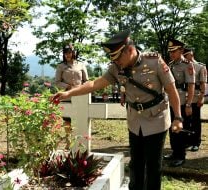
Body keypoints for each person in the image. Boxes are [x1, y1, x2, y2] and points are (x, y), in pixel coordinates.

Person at [52, 30, 183, 190]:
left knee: (153, 167)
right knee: (136, 164)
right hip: (135, 121)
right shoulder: (116, 67)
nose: (116, 62)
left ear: (129, 50)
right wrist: (68, 92)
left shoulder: (154, 62)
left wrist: (178, 117)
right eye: (113, 59)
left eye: (118, 57)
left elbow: (171, 89)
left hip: (157, 119)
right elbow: (94, 84)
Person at [164, 39, 195, 167]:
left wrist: (188, 104)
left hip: (182, 102)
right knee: (172, 129)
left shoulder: (187, 65)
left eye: (174, 51)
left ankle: (181, 156)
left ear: (181, 50)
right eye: (170, 51)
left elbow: (191, 86)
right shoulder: (170, 65)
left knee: (180, 130)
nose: (171, 54)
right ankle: (174, 152)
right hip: (170, 102)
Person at [55, 43, 89, 149]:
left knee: (80, 119)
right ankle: (69, 142)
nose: (67, 55)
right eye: (65, 53)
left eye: (69, 52)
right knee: (67, 121)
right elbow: (57, 82)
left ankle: (80, 142)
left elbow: (86, 81)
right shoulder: (60, 66)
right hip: (67, 96)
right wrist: (67, 86)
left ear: (73, 53)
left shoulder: (81, 65)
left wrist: (82, 88)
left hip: (80, 96)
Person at [183, 48, 207, 151]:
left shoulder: (200, 67)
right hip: (184, 97)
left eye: (185, 55)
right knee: (186, 120)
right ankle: (188, 141)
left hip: (196, 96)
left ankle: (196, 142)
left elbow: (203, 84)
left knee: (195, 120)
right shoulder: (182, 66)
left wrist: (201, 98)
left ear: (191, 55)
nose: (183, 57)